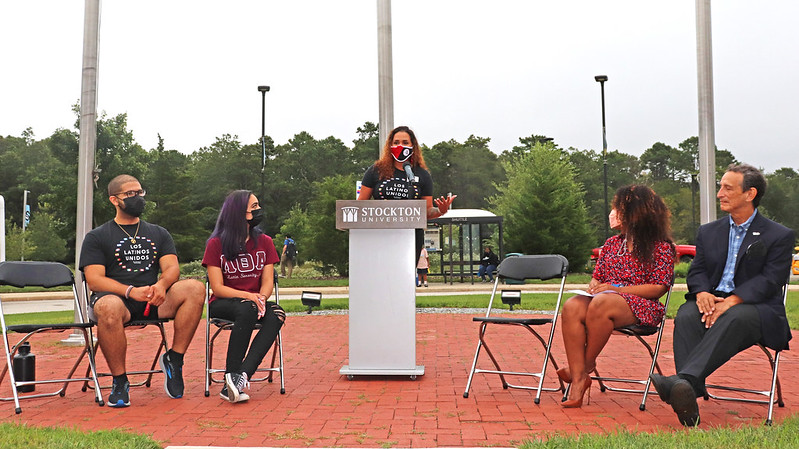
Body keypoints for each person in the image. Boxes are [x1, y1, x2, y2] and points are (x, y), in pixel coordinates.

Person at [650, 164, 794, 427]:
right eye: (720, 187)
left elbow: (771, 280)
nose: (719, 194)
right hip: (712, 299)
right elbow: (698, 271)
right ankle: (687, 392)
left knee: (736, 316)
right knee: (687, 314)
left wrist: (732, 300)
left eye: (727, 188)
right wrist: (703, 292)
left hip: (756, 309)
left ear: (749, 194)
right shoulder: (709, 231)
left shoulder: (778, 235)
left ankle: (683, 383)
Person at [80, 174, 205, 408]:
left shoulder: (159, 233)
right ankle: (119, 382)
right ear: (114, 200)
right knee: (108, 306)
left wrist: (161, 285)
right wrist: (129, 291)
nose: (137, 198)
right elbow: (94, 280)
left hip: (152, 299)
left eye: (140, 192)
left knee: (195, 288)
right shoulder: (97, 236)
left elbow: (172, 268)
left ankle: (174, 360)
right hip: (117, 301)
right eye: (130, 194)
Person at [558, 185, 675, 408]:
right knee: (572, 305)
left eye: (619, 208)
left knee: (603, 302)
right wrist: (594, 286)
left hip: (642, 305)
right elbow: (598, 277)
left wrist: (618, 290)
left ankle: (581, 371)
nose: (614, 213)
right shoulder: (612, 244)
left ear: (636, 212)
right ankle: (580, 373)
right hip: (604, 301)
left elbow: (659, 287)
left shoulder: (661, 246)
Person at [202, 190, 286, 403]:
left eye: (258, 206)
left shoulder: (265, 242)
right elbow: (217, 287)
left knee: (277, 313)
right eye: (254, 207)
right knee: (247, 308)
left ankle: (240, 377)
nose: (259, 211)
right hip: (224, 302)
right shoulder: (216, 244)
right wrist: (249, 297)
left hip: (254, 302)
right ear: (238, 213)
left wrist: (261, 298)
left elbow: (268, 281)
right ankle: (230, 375)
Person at [357, 125, 456, 263]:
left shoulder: (422, 175)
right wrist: (379, 206)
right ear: (390, 145)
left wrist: (441, 210)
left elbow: (427, 210)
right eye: (396, 143)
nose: (400, 146)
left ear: (412, 146)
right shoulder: (376, 170)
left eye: (405, 143)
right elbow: (360, 205)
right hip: (379, 235)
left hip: (411, 237)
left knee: (403, 278)